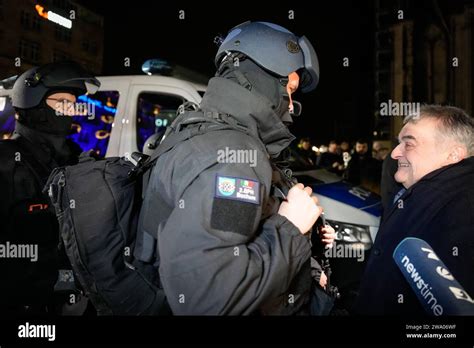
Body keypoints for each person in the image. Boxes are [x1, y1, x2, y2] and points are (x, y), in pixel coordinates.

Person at [135, 21, 336, 315]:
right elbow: (209, 298)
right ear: (263, 78)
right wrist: (291, 228)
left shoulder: (201, 130)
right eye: (289, 90)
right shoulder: (234, 157)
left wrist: (301, 229)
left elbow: (236, 234)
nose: (291, 106)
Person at [0, 61, 100, 314]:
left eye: (73, 103)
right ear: (34, 103)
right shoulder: (6, 163)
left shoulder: (77, 158)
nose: (70, 110)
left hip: (80, 295)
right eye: (61, 102)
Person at [354, 105, 474, 315]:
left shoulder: (464, 213)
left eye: (408, 143)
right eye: (399, 142)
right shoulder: (409, 191)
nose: (394, 152)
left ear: (453, 154)